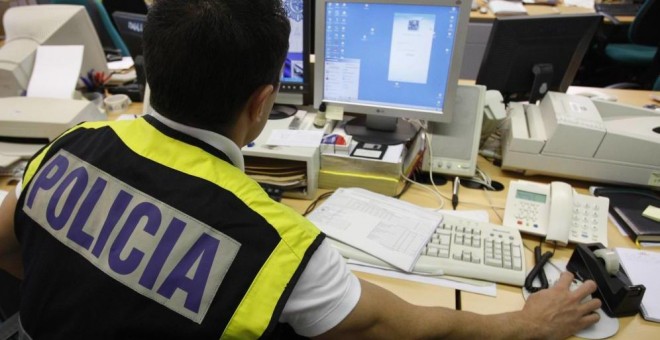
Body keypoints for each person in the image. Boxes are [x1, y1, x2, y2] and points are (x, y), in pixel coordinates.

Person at [0, 0, 602, 338]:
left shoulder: (70, 145)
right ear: (264, 102)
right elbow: (414, 329)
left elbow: (8, 246)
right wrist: (530, 325)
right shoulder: (276, 245)